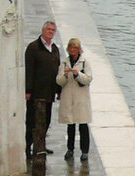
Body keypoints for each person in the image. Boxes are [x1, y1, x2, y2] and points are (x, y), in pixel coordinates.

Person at [25, 20, 61, 158]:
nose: (51, 32)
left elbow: (57, 71)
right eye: (48, 29)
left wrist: (58, 90)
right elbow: (29, 70)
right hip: (36, 93)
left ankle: (40, 145)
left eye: (53, 30)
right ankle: (28, 147)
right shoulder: (33, 48)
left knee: (46, 121)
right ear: (43, 30)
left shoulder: (55, 49)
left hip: (49, 93)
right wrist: (28, 90)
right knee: (32, 121)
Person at [56, 38, 93, 161]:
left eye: (75, 48)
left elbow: (88, 79)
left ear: (79, 49)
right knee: (70, 125)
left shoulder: (84, 62)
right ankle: (70, 149)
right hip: (69, 98)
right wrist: (66, 75)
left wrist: (77, 75)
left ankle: (85, 151)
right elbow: (59, 81)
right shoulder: (65, 62)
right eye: (71, 48)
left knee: (83, 124)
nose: (73, 50)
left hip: (81, 99)